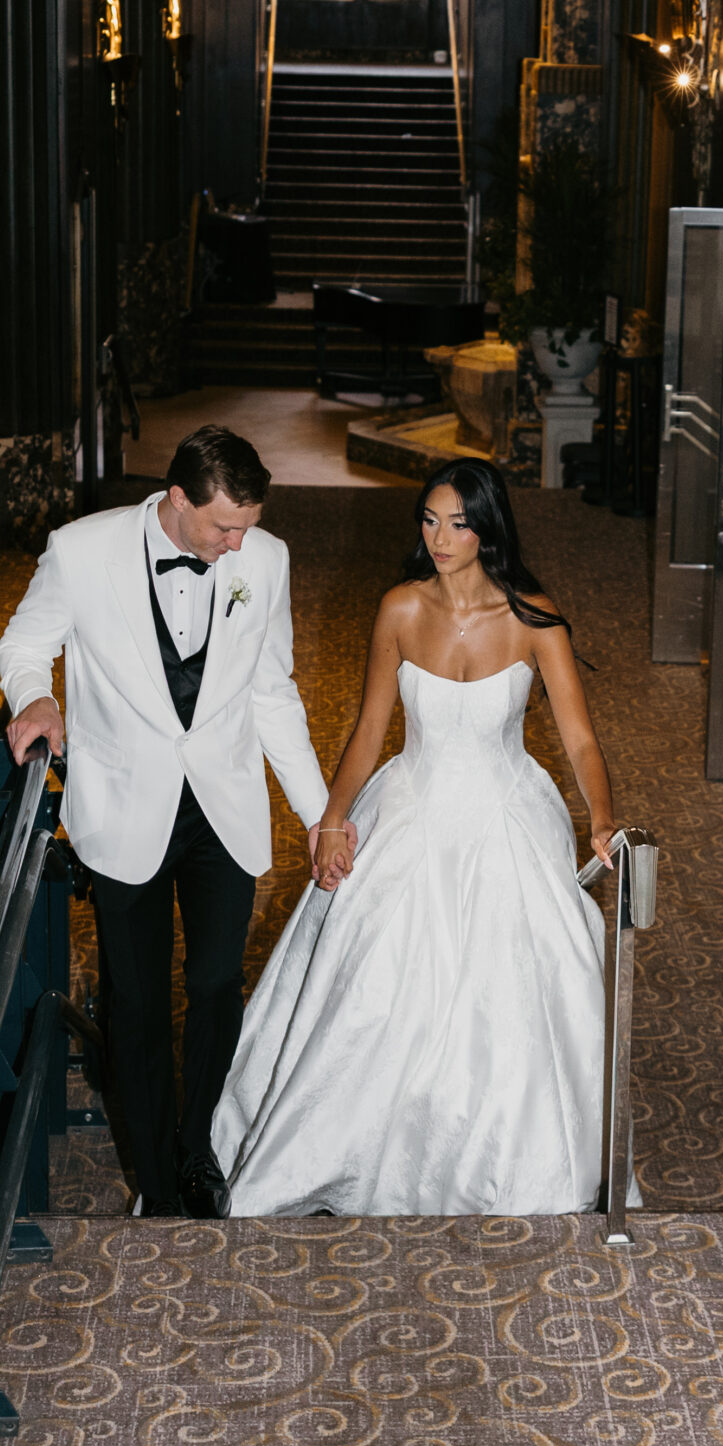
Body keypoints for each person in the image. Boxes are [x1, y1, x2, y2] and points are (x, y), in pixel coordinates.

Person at [212, 459, 621, 1216]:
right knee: (373, 987)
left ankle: (512, 1162)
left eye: (458, 523)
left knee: (519, 987)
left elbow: (579, 739)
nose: (439, 536)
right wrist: (334, 819)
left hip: (505, 814)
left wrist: (598, 816)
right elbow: (370, 728)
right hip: (410, 803)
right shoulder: (399, 608)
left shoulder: (534, 617)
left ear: (487, 528)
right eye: (429, 520)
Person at [0, 425, 347, 1219]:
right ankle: (156, 1184)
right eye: (223, 527)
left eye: (247, 527)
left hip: (222, 808)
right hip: (123, 807)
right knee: (138, 1002)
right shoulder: (80, 550)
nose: (236, 542)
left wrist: (316, 812)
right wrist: (37, 699)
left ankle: (199, 1153)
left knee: (219, 983)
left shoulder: (265, 558)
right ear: (177, 498)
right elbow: (23, 644)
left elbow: (272, 692)